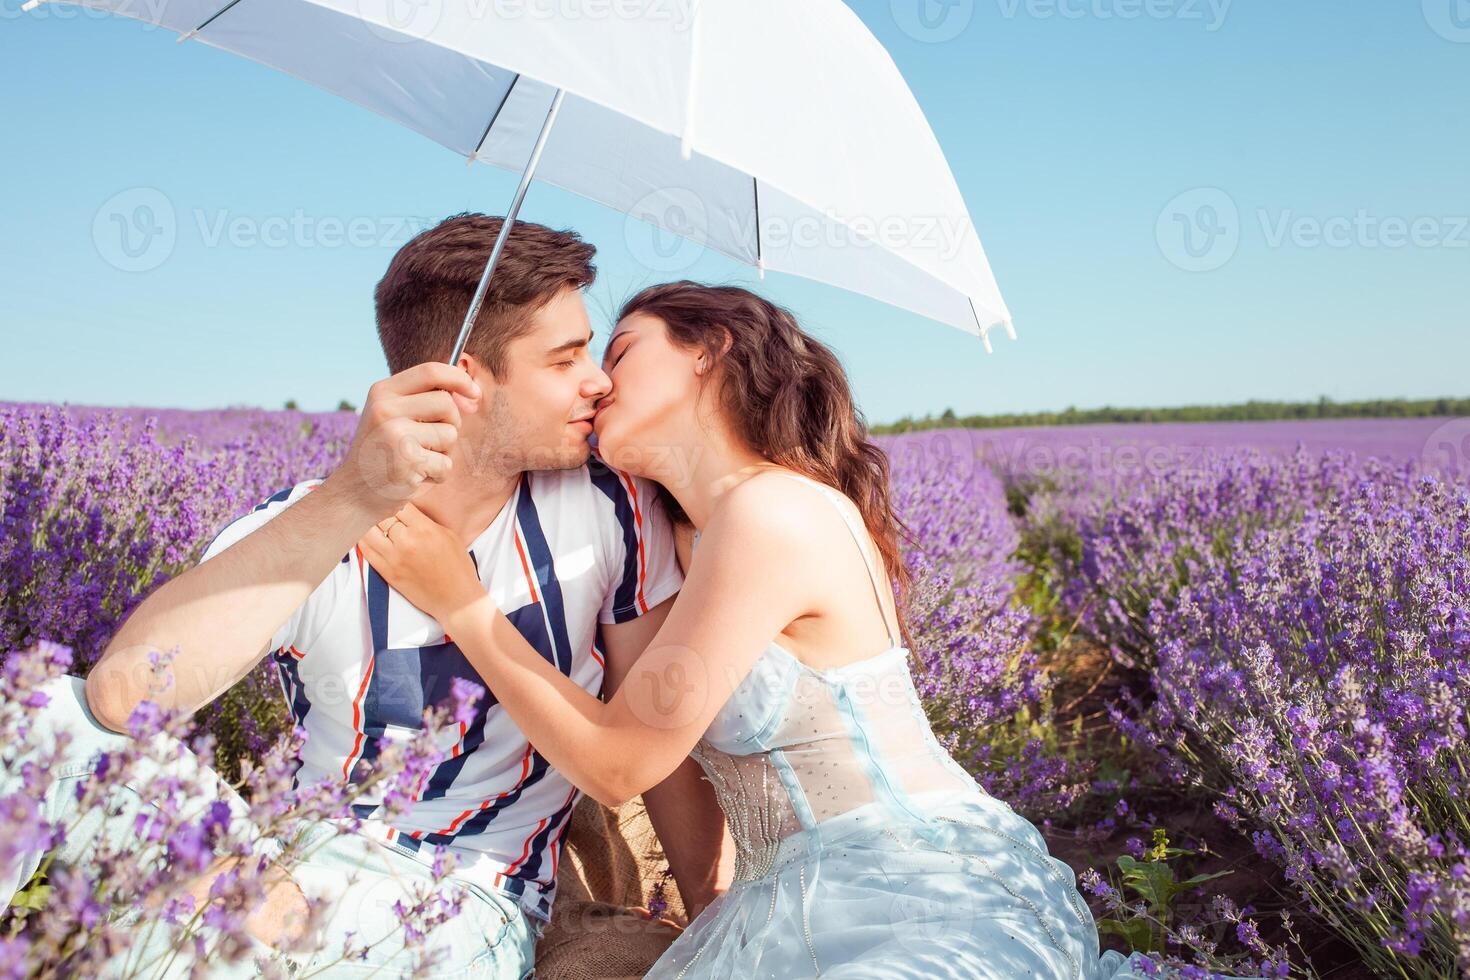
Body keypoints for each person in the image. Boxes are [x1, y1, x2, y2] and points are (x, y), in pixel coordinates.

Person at [360, 281, 1265, 979]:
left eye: (623, 350)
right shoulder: (684, 537)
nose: (597, 380)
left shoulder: (776, 514)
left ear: (708, 352)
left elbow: (619, 761)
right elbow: (668, 756)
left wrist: (462, 600)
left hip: (916, 887)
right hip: (784, 904)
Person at [1, 215, 725, 978]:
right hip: (284, 847)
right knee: (39, 719)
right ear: (465, 378)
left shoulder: (610, 509)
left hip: (460, 897)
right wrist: (352, 495)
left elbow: (652, 746)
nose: (598, 379)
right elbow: (125, 695)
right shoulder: (309, 519)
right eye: (565, 357)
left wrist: (714, 917)